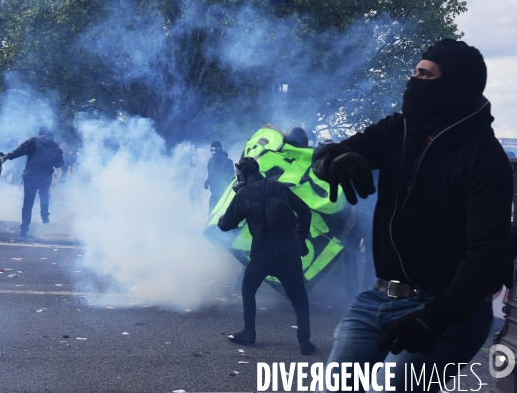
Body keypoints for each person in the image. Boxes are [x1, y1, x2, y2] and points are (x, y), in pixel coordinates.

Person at [312, 39, 513, 390]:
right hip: (377, 297)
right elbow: (326, 154)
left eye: (424, 74)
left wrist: (437, 316)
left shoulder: (485, 159)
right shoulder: (397, 130)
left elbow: (488, 256)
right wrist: (335, 159)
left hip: (446, 310)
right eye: (415, 71)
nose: (413, 80)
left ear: (453, 86)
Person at [217, 157, 317, 355]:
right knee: (299, 297)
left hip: (262, 255)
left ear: (242, 174)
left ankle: (249, 332)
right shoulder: (278, 187)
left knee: (248, 288)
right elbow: (305, 211)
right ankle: (304, 340)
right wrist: (300, 238)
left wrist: (236, 198)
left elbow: (225, 224)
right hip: (289, 253)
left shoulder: (243, 194)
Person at [2, 126, 64, 238]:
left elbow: (19, 151)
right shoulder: (56, 148)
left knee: (28, 203)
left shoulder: (33, 141)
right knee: (44, 200)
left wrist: (8, 156)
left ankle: (24, 230)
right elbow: (59, 164)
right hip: (45, 178)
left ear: (40, 133)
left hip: (30, 176)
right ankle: (46, 223)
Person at [204, 141, 234, 215]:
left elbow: (231, 176)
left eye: (215, 150)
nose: (213, 152)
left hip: (224, 194)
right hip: (214, 193)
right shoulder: (210, 161)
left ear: (220, 149)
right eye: (211, 150)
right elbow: (210, 174)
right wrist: (207, 182)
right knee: (210, 214)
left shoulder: (228, 162)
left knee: (223, 215)